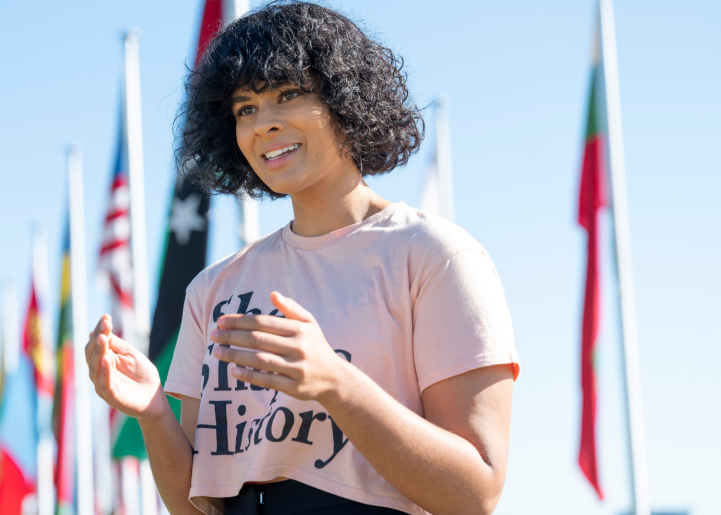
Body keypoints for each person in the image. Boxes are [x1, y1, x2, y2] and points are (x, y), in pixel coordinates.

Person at [85, 2, 520, 514]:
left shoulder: (436, 257)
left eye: (287, 95)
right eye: (245, 108)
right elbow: (196, 507)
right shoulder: (212, 289)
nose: (263, 124)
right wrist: (154, 412)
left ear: (345, 98)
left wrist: (336, 383)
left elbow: (476, 494)